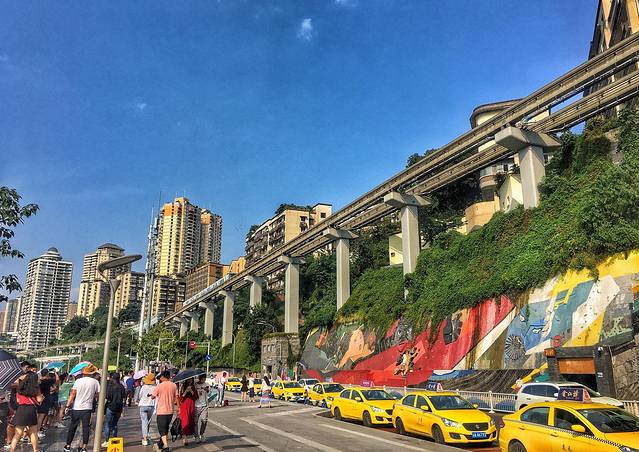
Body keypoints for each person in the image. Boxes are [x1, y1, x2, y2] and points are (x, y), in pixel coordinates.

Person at [63, 365, 100, 452]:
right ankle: (84, 447)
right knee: (86, 428)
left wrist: (67, 406)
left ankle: (68, 445)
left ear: (83, 373)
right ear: (92, 373)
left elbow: (72, 394)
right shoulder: (95, 382)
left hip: (77, 407)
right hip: (87, 408)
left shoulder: (78, 381)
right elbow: (98, 395)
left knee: (73, 427)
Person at [9, 371, 42, 452]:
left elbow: (17, 400)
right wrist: (41, 398)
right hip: (31, 410)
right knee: (33, 432)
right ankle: (36, 450)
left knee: (17, 434)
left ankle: (11, 450)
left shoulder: (20, 387)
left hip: (21, 410)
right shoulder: (36, 389)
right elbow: (39, 400)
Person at [151, 370, 178, 452]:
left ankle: (166, 446)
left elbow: (153, 396)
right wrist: (178, 407)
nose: (160, 378)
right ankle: (160, 444)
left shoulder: (159, 386)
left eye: (161, 377)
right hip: (170, 411)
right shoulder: (174, 385)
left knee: (162, 429)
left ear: (163, 377)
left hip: (161, 411)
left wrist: (152, 395)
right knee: (165, 428)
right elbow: (177, 397)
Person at [101, 373, 126, 447]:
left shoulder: (111, 386)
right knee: (115, 424)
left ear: (112, 378)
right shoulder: (121, 386)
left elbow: (107, 396)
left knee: (108, 424)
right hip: (119, 408)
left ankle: (107, 441)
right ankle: (114, 440)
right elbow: (124, 396)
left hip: (111, 407)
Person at [36, 369, 56, 439]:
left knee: (38, 415)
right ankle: (37, 431)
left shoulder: (39, 381)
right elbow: (57, 379)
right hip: (45, 399)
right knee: (41, 415)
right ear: (47, 374)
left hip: (38, 398)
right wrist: (55, 373)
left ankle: (37, 430)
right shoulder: (48, 381)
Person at [138, 373, 156, 446]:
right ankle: (147, 436)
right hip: (151, 405)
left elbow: (140, 395)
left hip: (143, 405)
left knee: (144, 422)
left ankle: (145, 439)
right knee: (148, 422)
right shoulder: (155, 387)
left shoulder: (143, 387)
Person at [178, 379, 196, 446]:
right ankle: (185, 437)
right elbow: (180, 399)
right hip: (184, 405)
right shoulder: (183, 387)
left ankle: (186, 434)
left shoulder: (193, 387)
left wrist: (191, 391)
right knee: (185, 421)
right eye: (189, 379)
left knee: (190, 421)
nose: (190, 381)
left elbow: (196, 397)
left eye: (191, 379)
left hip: (191, 405)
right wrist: (185, 392)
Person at [193, 375, 209, 443]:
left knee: (204, 420)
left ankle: (202, 434)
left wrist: (206, 390)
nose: (204, 380)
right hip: (196, 406)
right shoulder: (195, 385)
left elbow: (208, 391)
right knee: (195, 422)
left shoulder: (206, 384)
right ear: (200, 378)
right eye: (203, 379)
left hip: (204, 405)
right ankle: (196, 436)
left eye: (205, 379)